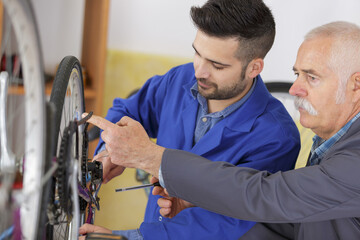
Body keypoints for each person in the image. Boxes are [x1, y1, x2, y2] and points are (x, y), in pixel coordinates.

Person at [85, 21, 360, 239]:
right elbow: (289, 224)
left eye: (311, 77)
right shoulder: (181, 78)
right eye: (297, 74)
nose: (294, 89)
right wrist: (111, 148)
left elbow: (259, 197)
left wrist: (149, 157)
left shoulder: (285, 138)